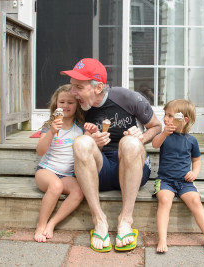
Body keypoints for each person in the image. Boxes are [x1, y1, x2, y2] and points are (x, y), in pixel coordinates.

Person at [60, 58, 162, 252]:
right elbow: (61, 128)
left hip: (133, 167)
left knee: (130, 142)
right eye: (72, 86)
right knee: (82, 143)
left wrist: (141, 136)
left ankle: (125, 219)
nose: (73, 92)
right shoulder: (77, 105)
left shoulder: (128, 98)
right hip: (101, 171)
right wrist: (92, 142)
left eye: (79, 87)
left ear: (98, 88)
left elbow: (157, 127)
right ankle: (99, 220)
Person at [152, 99, 204, 253]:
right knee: (164, 200)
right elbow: (155, 144)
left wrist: (194, 172)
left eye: (170, 116)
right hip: (165, 180)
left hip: (184, 181)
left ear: (183, 120)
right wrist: (163, 133)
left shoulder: (191, 140)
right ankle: (162, 239)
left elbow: (197, 161)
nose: (165, 119)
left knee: (195, 200)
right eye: (165, 115)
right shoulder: (165, 136)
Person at [34, 84, 85, 243]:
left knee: (79, 191)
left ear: (77, 105)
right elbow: (40, 151)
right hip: (46, 171)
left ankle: (52, 223)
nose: (66, 106)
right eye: (62, 102)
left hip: (67, 175)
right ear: (56, 104)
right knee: (55, 186)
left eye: (70, 102)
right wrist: (51, 132)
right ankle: (40, 225)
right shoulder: (50, 126)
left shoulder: (80, 127)